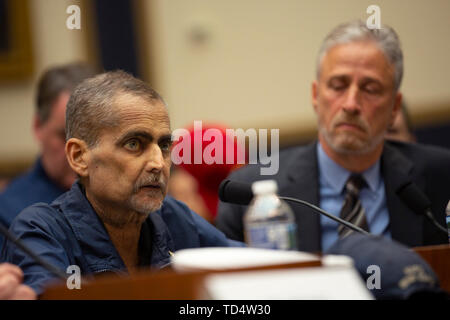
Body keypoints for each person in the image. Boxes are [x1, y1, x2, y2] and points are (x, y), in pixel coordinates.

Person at [1, 71, 243, 296]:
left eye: (164, 146)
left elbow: (255, 269)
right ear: (79, 157)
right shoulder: (41, 230)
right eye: (134, 144)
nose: (158, 163)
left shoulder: (173, 215)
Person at [216, 20, 450, 253]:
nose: (351, 104)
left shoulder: (441, 177)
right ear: (316, 95)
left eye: (370, 89)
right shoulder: (249, 194)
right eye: (338, 86)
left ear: (395, 108)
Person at [0, 63, 96, 248]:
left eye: (90, 138)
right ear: (38, 126)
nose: (77, 154)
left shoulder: (127, 198)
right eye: (64, 137)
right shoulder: (7, 215)